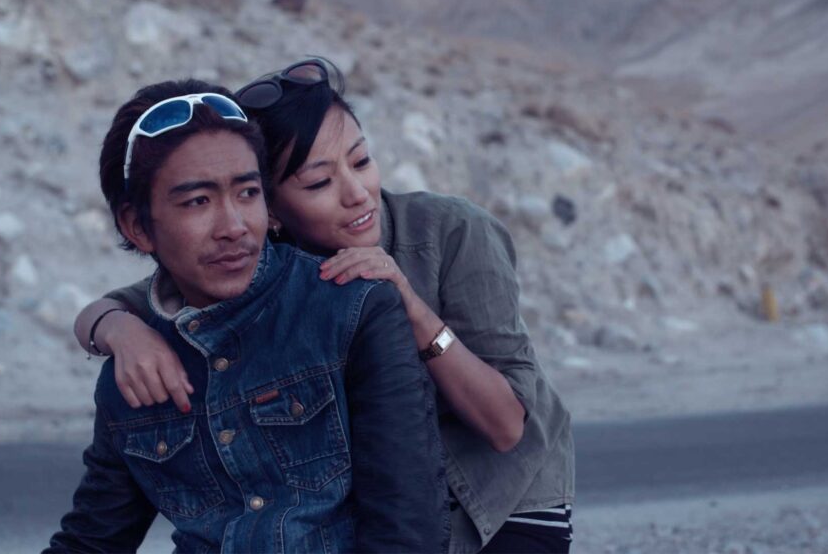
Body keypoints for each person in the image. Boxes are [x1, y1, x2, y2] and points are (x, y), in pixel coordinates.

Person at [76, 59, 575, 553]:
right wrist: (116, 327)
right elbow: (149, 297)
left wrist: (412, 308)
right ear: (273, 208)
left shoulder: (447, 233)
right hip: (387, 499)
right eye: (318, 183)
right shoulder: (251, 259)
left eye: (360, 161)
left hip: (503, 495)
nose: (358, 195)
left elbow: (507, 428)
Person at [47, 79, 448, 553]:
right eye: (198, 202)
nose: (234, 227)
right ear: (138, 227)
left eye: (247, 193)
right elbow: (92, 540)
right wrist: (113, 326)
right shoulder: (134, 371)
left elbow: (406, 529)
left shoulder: (353, 309)